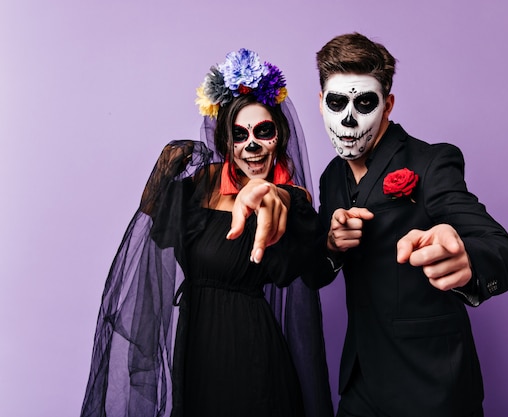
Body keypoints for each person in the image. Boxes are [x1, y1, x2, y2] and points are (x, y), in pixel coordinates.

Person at [81, 48, 333, 417]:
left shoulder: (289, 201)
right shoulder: (199, 184)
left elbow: (302, 265)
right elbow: (152, 224)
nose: (252, 145)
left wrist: (275, 194)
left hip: (248, 351)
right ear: (225, 142)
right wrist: (167, 165)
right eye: (239, 134)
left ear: (278, 137)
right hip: (195, 346)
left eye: (264, 132)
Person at [301, 33, 508, 417]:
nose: (349, 118)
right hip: (360, 382)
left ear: (387, 105)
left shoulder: (431, 162)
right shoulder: (330, 178)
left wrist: (468, 262)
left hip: (432, 383)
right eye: (337, 102)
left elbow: (506, 253)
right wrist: (332, 246)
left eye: (365, 102)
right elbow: (316, 274)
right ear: (322, 104)